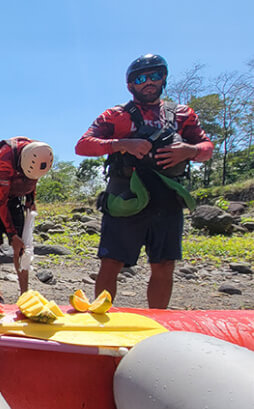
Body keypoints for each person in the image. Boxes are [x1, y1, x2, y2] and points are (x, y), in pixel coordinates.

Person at [75, 53, 213, 308]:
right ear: (130, 85)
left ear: (164, 78)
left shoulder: (183, 115)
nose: (148, 82)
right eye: (140, 78)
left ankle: (158, 321)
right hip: (124, 194)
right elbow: (83, 146)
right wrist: (121, 144)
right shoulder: (115, 115)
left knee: (164, 263)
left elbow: (207, 148)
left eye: (155, 75)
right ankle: (100, 318)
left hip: (167, 197)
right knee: (111, 260)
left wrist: (189, 151)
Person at [0, 137, 53, 301]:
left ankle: (24, 294)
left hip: (15, 195)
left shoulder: (40, 152)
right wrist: (12, 235)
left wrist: (31, 201)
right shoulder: (4, 160)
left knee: (22, 247)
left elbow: (34, 178)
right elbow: (1, 203)